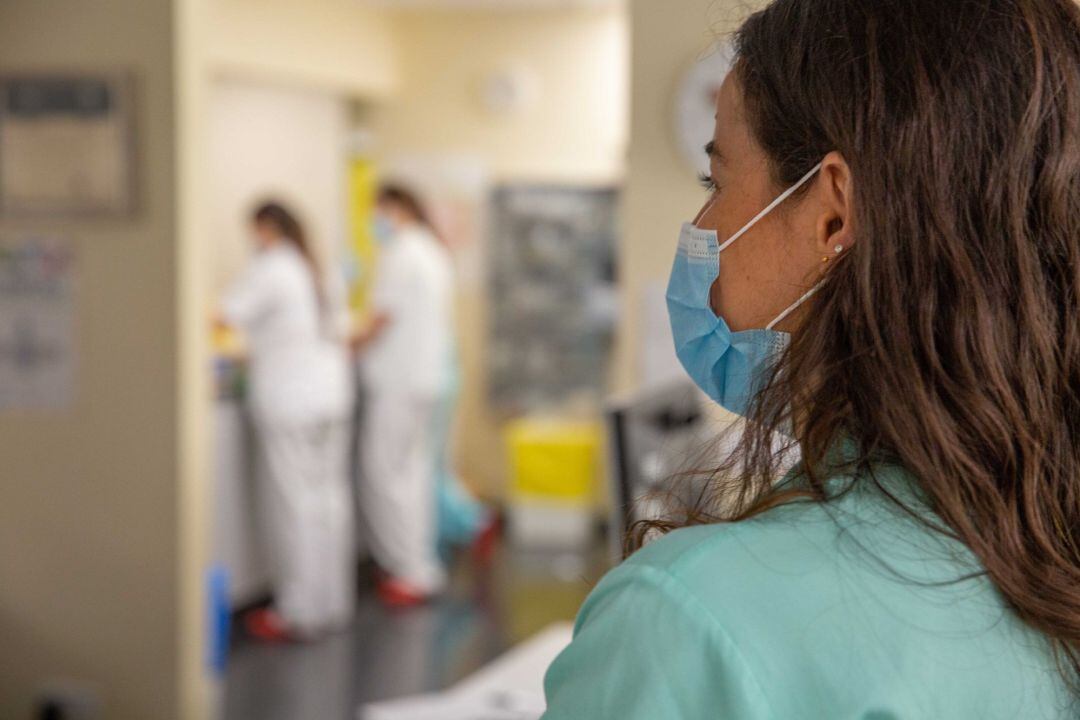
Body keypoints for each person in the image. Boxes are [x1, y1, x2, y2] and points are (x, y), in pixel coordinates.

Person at [542, 0, 1080, 717]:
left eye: (717, 183)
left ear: (832, 213)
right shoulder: (1044, 543)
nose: (702, 227)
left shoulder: (692, 621)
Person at [221, 201, 355, 641]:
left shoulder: (273, 266)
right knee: (327, 501)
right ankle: (331, 603)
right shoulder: (319, 267)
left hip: (291, 400)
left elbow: (224, 315)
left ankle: (297, 610)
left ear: (265, 227)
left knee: (293, 503)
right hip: (331, 397)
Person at [354, 184, 476, 606]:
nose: (376, 221)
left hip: (399, 381)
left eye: (378, 211)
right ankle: (421, 566)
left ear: (396, 208)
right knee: (415, 474)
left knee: (385, 472)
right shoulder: (431, 250)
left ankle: (406, 569)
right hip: (427, 379)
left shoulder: (401, 252)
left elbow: (379, 319)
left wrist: (347, 341)